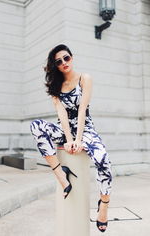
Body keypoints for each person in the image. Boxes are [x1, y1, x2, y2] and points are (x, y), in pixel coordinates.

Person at [30, 44, 112, 232]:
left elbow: (82, 109)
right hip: (64, 127)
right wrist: (68, 139)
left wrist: (79, 139)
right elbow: (62, 114)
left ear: (72, 58)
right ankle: (61, 174)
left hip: (86, 127)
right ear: (55, 65)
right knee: (36, 126)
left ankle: (104, 205)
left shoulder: (85, 78)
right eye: (59, 61)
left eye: (66, 58)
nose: (64, 63)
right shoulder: (55, 86)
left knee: (103, 161)